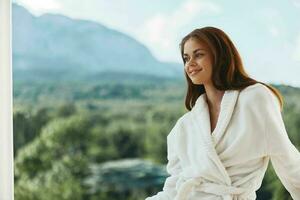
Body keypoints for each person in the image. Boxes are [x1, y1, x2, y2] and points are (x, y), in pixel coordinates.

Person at [145, 26, 300, 200]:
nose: (190, 64)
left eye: (199, 54)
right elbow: (173, 188)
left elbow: (287, 160)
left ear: (219, 55)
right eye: (186, 58)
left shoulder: (255, 99)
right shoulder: (184, 126)